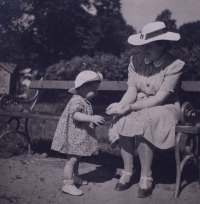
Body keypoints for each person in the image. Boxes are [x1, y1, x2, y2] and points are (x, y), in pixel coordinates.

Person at [106, 21, 185, 198]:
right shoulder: (135, 60)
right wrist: (121, 106)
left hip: (165, 107)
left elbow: (160, 98)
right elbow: (132, 90)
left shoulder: (175, 65)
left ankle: (146, 176)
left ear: (163, 45)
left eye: (149, 46)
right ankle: (128, 171)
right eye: (142, 46)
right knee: (123, 118)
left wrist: (130, 107)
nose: (143, 50)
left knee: (144, 119)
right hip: (140, 104)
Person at [51, 70, 105, 196]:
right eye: (95, 89)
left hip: (78, 135)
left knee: (77, 157)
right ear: (84, 86)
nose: (97, 92)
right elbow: (76, 115)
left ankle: (75, 177)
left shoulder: (82, 100)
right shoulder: (77, 100)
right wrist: (91, 118)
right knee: (72, 159)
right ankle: (67, 184)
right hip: (73, 136)